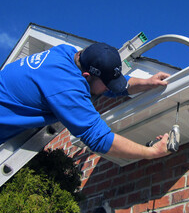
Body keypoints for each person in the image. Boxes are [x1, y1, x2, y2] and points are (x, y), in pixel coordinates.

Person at [0, 42, 171, 160]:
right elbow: (98, 138)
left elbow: (105, 84)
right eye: (107, 85)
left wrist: (147, 83)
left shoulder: (67, 53)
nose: (109, 89)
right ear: (86, 76)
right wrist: (152, 152)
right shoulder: (65, 86)